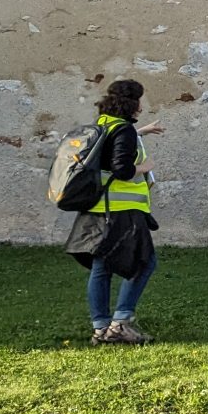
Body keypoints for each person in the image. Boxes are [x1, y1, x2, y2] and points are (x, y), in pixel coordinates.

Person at [67, 77, 163, 345]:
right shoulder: (124, 131)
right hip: (121, 210)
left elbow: (109, 149)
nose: (141, 106)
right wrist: (144, 167)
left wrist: (140, 132)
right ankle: (120, 324)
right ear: (132, 103)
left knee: (102, 265)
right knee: (144, 263)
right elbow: (121, 167)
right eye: (139, 101)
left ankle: (100, 328)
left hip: (97, 206)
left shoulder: (102, 125)